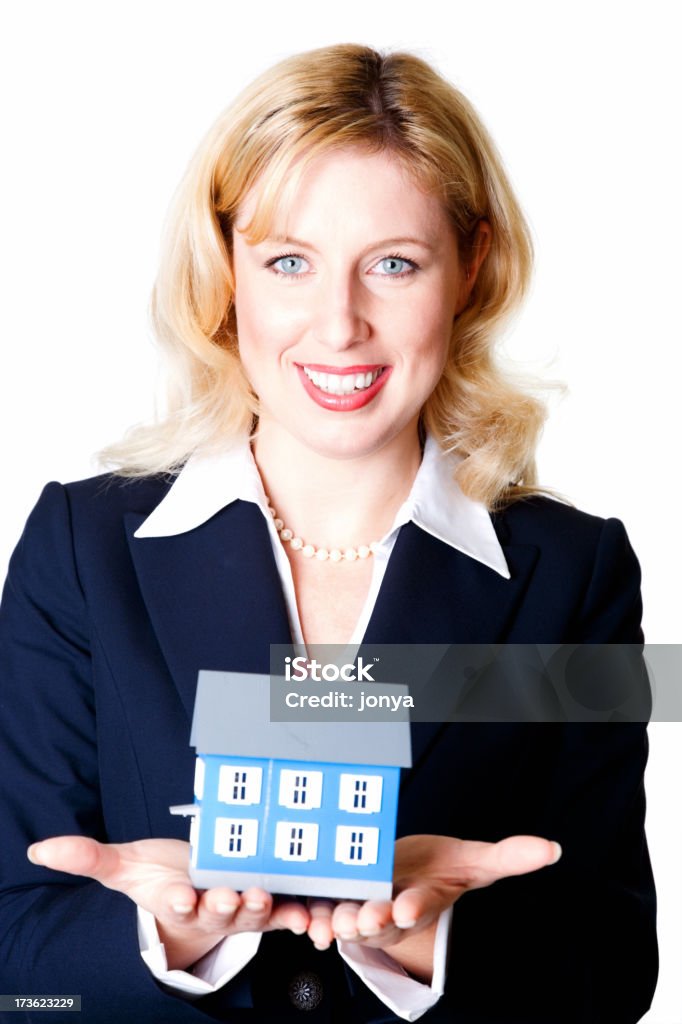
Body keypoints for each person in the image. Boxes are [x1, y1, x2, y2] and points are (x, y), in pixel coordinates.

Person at [0, 43, 657, 1024]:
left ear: (469, 266)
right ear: (228, 268)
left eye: (393, 264)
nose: (338, 322)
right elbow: (19, 974)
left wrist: (422, 936)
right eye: (289, 262)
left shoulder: (573, 572)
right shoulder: (81, 550)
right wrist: (173, 932)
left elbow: (612, 973)